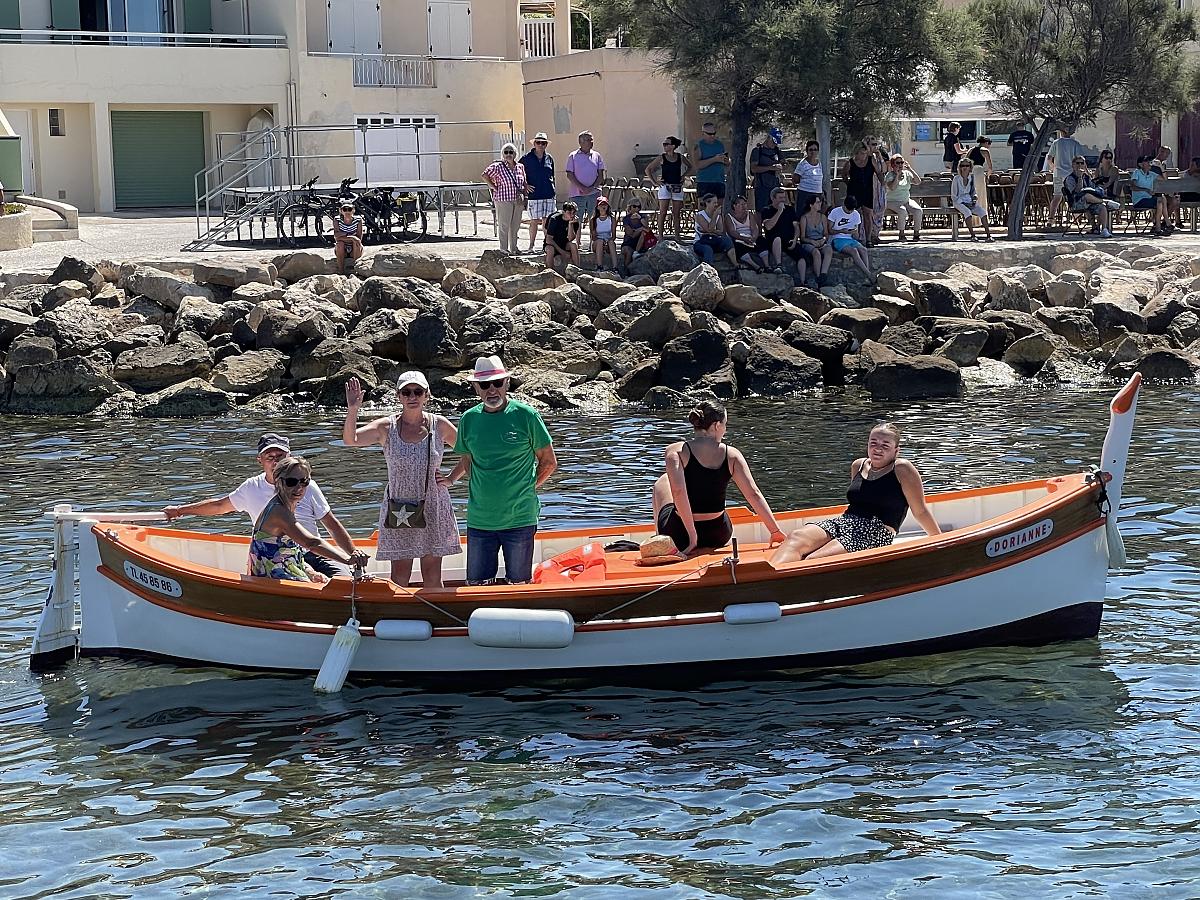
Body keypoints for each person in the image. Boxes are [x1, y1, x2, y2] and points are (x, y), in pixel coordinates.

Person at [163, 433, 359, 579]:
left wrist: (352, 555)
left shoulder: (302, 490)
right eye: (270, 457)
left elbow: (328, 527)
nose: (299, 487)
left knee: (346, 580)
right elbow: (219, 505)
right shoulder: (270, 501)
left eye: (303, 482)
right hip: (275, 563)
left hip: (297, 556)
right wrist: (180, 510)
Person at [440, 356, 557, 585]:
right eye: (485, 385)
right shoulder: (469, 419)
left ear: (507, 383)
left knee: (518, 585)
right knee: (477, 586)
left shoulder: (526, 415)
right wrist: (453, 480)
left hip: (520, 519)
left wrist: (527, 487)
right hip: (479, 521)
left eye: (497, 383)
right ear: (476, 388)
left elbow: (549, 461)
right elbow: (467, 460)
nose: (491, 389)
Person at [342, 373, 460, 589]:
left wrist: (451, 478)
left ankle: (434, 611)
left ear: (427, 395)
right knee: (400, 574)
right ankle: (400, 610)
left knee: (432, 574)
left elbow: (470, 451)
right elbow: (351, 440)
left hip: (434, 504)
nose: (412, 397)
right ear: (398, 396)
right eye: (406, 392)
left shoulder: (439, 425)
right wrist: (353, 409)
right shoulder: (386, 427)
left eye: (418, 392)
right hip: (399, 507)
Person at [770, 423, 941, 565]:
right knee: (796, 537)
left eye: (885, 445)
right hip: (846, 521)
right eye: (873, 443)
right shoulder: (858, 465)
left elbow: (920, 511)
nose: (877, 449)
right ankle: (768, 576)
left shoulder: (902, 468)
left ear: (896, 451)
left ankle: (786, 584)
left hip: (876, 530)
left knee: (814, 559)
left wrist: (939, 542)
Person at [651, 401, 787, 555]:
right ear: (716, 425)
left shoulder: (675, 451)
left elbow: (678, 492)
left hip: (679, 535)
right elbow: (753, 494)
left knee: (662, 481)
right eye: (725, 424)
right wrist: (775, 531)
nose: (725, 430)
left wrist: (692, 537)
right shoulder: (732, 455)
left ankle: (660, 541)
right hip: (718, 534)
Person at [248, 456, 371, 582]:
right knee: (343, 585)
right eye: (291, 482)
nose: (299, 488)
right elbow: (311, 543)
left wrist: (311, 573)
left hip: (286, 567)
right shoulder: (279, 511)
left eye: (304, 481)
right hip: (270, 576)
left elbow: (290, 551)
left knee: (341, 581)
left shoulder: (287, 505)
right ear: (278, 481)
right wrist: (348, 559)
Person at [482, 142, 527, 255]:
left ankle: (514, 248)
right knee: (504, 225)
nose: (508, 154)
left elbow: (524, 181)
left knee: (515, 225)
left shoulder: (520, 167)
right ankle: (503, 248)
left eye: (511, 152)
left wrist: (525, 194)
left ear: (515, 153)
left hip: (518, 199)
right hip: (503, 199)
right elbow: (485, 175)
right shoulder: (497, 166)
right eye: (506, 152)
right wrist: (493, 186)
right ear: (503, 154)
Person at [645, 136, 693, 237]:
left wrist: (683, 176)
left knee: (676, 213)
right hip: (665, 186)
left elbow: (690, 166)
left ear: (673, 146)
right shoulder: (661, 157)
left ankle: (677, 236)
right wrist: (654, 182)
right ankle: (660, 237)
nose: (664, 146)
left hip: (677, 186)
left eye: (667, 144)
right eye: (664, 144)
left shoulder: (680, 157)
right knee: (663, 212)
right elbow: (648, 169)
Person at [519, 132, 556, 252]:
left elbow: (552, 175)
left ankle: (547, 245)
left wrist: (554, 189)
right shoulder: (526, 159)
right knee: (534, 221)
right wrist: (525, 185)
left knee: (547, 221)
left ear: (546, 145)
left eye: (543, 143)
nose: (541, 145)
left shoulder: (549, 158)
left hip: (548, 194)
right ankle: (531, 246)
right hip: (534, 195)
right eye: (538, 142)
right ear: (534, 144)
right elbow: (518, 173)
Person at [1063, 156, 1116, 238]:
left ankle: (1104, 229)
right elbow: (1078, 191)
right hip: (1076, 203)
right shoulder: (1070, 179)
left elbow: (1093, 189)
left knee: (1102, 207)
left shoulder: (1087, 178)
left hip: (1089, 203)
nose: (1080, 165)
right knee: (1087, 196)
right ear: (1073, 165)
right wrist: (1080, 178)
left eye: (1082, 163)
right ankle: (1106, 201)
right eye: (1077, 163)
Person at [842, 142, 882, 246]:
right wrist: (849, 184)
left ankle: (868, 239)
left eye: (865, 153)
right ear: (856, 153)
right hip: (854, 191)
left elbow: (878, 172)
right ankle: (853, 237)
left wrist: (883, 183)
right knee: (852, 214)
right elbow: (844, 175)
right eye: (861, 153)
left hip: (867, 190)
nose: (864, 156)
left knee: (868, 215)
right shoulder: (850, 163)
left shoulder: (871, 160)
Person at [759, 186, 803, 274]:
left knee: (802, 256)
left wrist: (795, 239)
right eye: (780, 198)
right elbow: (768, 226)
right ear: (773, 198)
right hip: (773, 240)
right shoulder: (766, 210)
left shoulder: (790, 209)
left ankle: (803, 279)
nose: (783, 200)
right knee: (777, 239)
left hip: (789, 240)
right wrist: (779, 211)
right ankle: (779, 265)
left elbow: (796, 226)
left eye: (784, 197)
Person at [1046, 127, 1084, 225]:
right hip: (1071, 174)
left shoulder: (1056, 143)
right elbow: (1080, 160)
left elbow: (1049, 158)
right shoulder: (1075, 143)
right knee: (1073, 196)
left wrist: (1053, 168)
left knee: (1057, 197)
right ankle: (1076, 219)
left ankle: (1051, 219)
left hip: (1058, 173)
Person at [565, 130, 605, 223]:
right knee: (576, 220)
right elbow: (570, 174)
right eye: (588, 140)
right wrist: (582, 188)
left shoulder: (597, 156)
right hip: (577, 194)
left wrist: (592, 188)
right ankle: (577, 233)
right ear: (580, 142)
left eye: (592, 139)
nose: (591, 142)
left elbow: (600, 175)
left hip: (594, 193)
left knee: (594, 219)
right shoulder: (573, 156)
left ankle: (593, 233)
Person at [827, 194, 872, 275]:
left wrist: (854, 233)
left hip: (850, 239)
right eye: (848, 210)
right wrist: (841, 231)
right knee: (854, 251)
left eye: (852, 210)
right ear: (844, 205)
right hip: (837, 238)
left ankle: (867, 272)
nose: (850, 212)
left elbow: (857, 236)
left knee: (864, 250)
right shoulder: (835, 212)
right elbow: (829, 230)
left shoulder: (856, 214)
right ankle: (868, 274)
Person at [883, 154, 923, 242]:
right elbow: (892, 188)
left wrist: (910, 169)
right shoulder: (889, 175)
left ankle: (916, 233)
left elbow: (918, 182)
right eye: (898, 163)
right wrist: (897, 176)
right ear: (893, 164)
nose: (900, 165)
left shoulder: (907, 174)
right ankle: (901, 233)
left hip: (906, 200)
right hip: (892, 201)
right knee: (902, 211)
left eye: (902, 162)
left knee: (918, 210)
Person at [951, 159, 994, 242]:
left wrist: (974, 199)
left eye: (967, 166)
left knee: (982, 212)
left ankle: (989, 235)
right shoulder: (956, 179)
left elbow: (973, 192)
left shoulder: (971, 178)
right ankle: (972, 235)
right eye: (962, 166)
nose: (964, 168)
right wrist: (963, 202)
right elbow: (954, 196)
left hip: (969, 201)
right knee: (968, 213)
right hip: (958, 202)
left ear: (970, 167)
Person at [693, 193, 739, 267]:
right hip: (701, 242)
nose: (716, 205)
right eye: (714, 203)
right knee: (708, 249)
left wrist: (709, 231)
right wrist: (714, 216)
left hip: (714, 240)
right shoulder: (700, 215)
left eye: (716, 202)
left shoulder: (718, 216)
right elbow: (709, 229)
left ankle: (735, 263)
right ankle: (708, 268)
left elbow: (720, 231)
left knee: (727, 240)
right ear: (707, 203)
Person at [798, 193, 832, 287]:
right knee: (816, 253)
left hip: (820, 241)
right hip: (809, 242)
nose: (820, 204)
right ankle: (817, 276)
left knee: (828, 249)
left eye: (820, 202)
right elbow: (802, 237)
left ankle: (823, 274)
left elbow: (826, 233)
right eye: (817, 202)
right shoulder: (804, 218)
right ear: (811, 205)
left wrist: (823, 239)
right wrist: (812, 242)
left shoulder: (823, 217)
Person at [725, 196, 766, 273]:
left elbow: (754, 228)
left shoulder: (750, 214)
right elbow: (732, 232)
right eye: (741, 204)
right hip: (739, 239)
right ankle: (755, 266)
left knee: (762, 241)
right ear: (735, 206)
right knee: (737, 246)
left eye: (745, 204)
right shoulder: (729, 217)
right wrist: (744, 239)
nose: (744, 206)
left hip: (751, 238)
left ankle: (767, 265)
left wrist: (754, 237)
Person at [1130, 154, 1166, 236]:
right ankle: (1159, 227)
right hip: (1139, 200)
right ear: (1140, 164)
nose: (1150, 163)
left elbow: (1164, 179)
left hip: (1149, 199)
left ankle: (1163, 224)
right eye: (1147, 161)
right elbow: (1133, 187)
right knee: (1160, 201)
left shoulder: (1151, 174)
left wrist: (1161, 167)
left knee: (1162, 198)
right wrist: (1146, 190)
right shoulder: (1137, 172)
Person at [693, 122, 729, 200]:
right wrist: (714, 159)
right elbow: (697, 165)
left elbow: (726, 162)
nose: (712, 136)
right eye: (709, 134)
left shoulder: (720, 145)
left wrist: (726, 161)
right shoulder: (699, 145)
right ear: (703, 133)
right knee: (704, 206)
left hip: (719, 180)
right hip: (705, 181)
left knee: (719, 206)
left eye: (714, 133)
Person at [750, 129, 784, 210]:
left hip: (775, 186)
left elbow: (784, 163)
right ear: (769, 137)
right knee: (761, 211)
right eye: (773, 142)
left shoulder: (777, 151)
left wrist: (781, 166)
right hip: (762, 187)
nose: (774, 144)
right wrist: (770, 168)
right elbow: (753, 169)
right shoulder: (757, 151)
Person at [544, 201, 580, 271]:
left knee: (573, 245)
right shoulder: (554, 219)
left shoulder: (575, 221)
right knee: (550, 250)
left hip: (564, 243)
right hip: (552, 244)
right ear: (564, 212)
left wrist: (570, 224)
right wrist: (562, 252)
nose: (572, 215)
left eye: (574, 213)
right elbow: (548, 239)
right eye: (569, 213)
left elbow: (570, 238)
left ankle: (577, 269)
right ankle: (549, 272)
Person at [1152, 145, 1180, 231]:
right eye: (1166, 153)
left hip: (1162, 191)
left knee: (1175, 200)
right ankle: (1160, 223)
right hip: (1154, 192)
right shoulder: (1154, 164)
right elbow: (1162, 179)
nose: (1167, 156)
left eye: (1168, 154)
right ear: (1161, 152)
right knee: (1164, 200)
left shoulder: (1163, 164)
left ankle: (1164, 223)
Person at [793, 140, 824, 214]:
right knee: (803, 215)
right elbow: (795, 179)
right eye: (810, 150)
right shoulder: (803, 164)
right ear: (807, 151)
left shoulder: (819, 163)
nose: (813, 152)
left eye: (815, 150)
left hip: (817, 194)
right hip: (805, 194)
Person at [589, 196, 619, 271]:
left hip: (608, 241)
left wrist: (607, 242)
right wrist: (602, 242)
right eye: (601, 205)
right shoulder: (593, 220)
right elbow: (593, 237)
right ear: (597, 207)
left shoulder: (612, 219)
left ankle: (615, 267)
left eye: (605, 204)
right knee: (600, 241)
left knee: (611, 242)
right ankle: (599, 266)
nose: (603, 206)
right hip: (597, 242)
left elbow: (613, 236)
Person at [333, 202, 363, 275]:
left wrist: (342, 235)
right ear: (341, 211)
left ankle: (356, 270)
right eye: (344, 209)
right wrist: (351, 237)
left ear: (353, 210)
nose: (347, 211)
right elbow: (337, 236)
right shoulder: (337, 219)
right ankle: (341, 271)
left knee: (356, 243)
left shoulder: (358, 220)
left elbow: (359, 238)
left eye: (349, 209)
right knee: (339, 244)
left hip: (354, 248)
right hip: (343, 247)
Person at [621, 200, 649, 271]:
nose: (637, 209)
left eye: (639, 207)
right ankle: (626, 271)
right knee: (628, 252)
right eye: (634, 206)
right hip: (629, 242)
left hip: (641, 243)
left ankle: (636, 252)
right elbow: (631, 234)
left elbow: (647, 229)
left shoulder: (643, 217)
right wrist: (641, 229)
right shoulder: (626, 219)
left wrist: (640, 219)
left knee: (644, 233)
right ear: (630, 207)